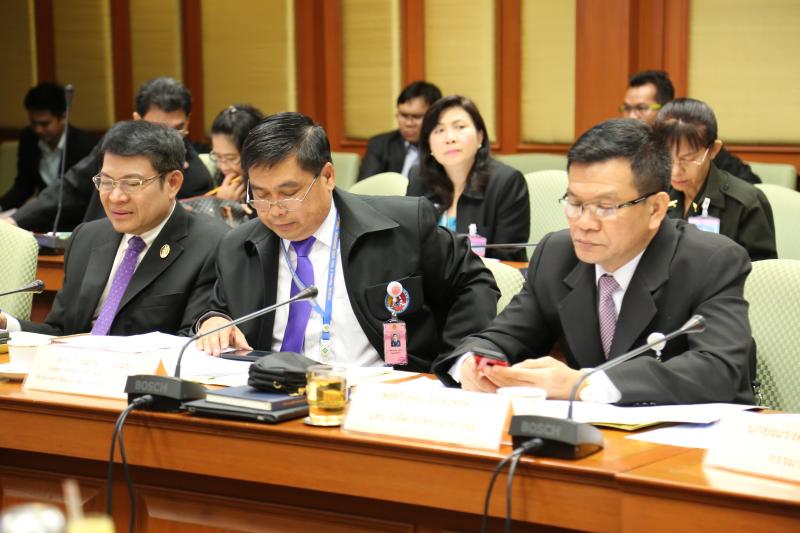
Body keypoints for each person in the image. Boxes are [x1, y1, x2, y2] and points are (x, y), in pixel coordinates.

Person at [434, 119, 755, 405]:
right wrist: (474, 365)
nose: (584, 223)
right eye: (575, 203)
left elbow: (719, 370)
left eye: (606, 207)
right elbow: (500, 338)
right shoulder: (557, 255)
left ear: (656, 209)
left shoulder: (710, 261)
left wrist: (584, 384)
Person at [195, 112, 499, 372]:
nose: (274, 211)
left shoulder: (402, 226)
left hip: (377, 395)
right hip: (270, 395)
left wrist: (457, 360)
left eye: (289, 194)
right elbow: (217, 309)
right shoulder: (238, 247)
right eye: (261, 195)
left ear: (328, 176)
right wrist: (212, 321)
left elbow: (473, 282)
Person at [0, 121, 228, 336]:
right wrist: (8, 325)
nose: (116, 197)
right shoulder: (86, 237)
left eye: (132, 183)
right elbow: (61, 332)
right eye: (107, 182)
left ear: (172, 183)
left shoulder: (211, 244)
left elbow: (190, 344)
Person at [6, 77, 213, 232]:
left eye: (177, 129)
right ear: (137, 120)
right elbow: (71, 186)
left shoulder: (196, 177)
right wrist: (15, 220)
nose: (167, 139)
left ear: (188, 121)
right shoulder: (114, 148)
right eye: (157, 128)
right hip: (93, 249)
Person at [406, 95, 529, 261]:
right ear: (429, 144)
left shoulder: (507, 182)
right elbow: (408, 247)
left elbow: (508, 260)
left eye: (460, 127)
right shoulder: (419, 178)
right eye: (439, 130)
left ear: (480, 137)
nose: (450, 138)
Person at [655, 98, 776, 261]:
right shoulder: (656, 194)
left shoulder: (745, 203)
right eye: (667, 158)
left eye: (688, 159)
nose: (676, 171)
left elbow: (761, 271)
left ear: (713, 150)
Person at [621, 70, 761, 184]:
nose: (632, 116)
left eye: (641, 108)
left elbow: (750, 183)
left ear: (666, 108)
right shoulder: (623, 146)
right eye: (627, 108)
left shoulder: (693, 143)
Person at [0, 83, 97, 212]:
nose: (38, 130)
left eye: (44, 124)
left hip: (76, 217)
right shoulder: (28, 138)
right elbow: (23, 186)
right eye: (33, 123)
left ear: (63, 117)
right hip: (41, 216)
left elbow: (88, 196)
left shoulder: (86, 146)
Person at [357, 81, 442, 180]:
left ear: (434, 116)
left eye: (417, 116)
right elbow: (364, 185)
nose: (408, 123)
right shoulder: (380, 144)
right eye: (403, 115)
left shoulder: (444, 146)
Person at [208, 104, 263, 202]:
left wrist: (224, 205)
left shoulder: (270, 186)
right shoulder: (219, 181)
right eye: (217, 156)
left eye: (231, 158)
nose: (223, 167)